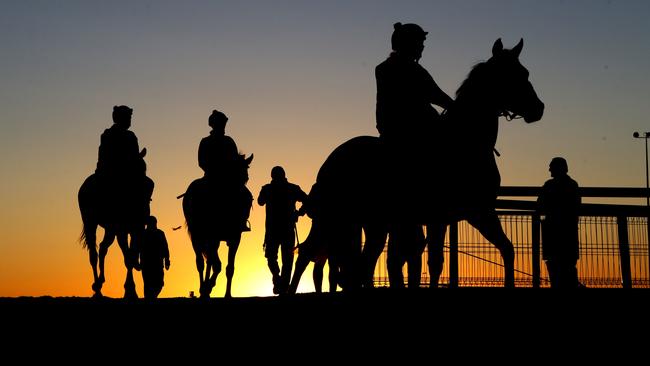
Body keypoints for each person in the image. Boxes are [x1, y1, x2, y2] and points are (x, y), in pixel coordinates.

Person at [198, 109, 252, 231]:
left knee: (247, 196)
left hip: (228, 177)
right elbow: (201, 162)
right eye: (221, 124)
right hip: (210, 177)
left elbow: (235, 160)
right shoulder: (205, 141)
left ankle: (241, 221)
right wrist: (215, 170)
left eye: (224, 124)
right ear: (214, 125)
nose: (223, 127)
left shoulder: (229, 141)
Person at [258, 166, 308, 295]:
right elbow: (307, 200)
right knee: (286, 259)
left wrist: (298, 213)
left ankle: (279, 281)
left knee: (273, 257)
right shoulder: (292, 188)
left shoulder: (268, 189)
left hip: (273, 230)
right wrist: (299, 213)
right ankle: (281, 283)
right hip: (284, 229)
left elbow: (260, 201)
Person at [537, 157, 583, 288]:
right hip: (569, 231)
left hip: (552, 231)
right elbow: (577, 205)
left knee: (554, 267)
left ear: (557, 168)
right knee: (568, 266)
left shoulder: (549, 185)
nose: (549, 169)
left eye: (551, 166)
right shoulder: (573, 185)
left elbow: (539, 204)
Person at [95, 105, 146, 202]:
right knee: (148, 183)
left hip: (103, 172)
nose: (130, 120)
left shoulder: (106, 134)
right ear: (120, 118)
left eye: (130, 117)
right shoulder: (129, 136)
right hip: (116, 172)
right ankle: (143, 207)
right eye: (128, 117)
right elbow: (132, 158)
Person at [139, 216, 170, 299]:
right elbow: (140, 248)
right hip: (148, 264)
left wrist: (167, 260)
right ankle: (151, 298)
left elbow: (165, 247)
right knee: (148, 284)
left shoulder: (160, 233)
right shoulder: (144, 234)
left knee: (159, 283)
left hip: (157, 264)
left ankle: (152, 297)